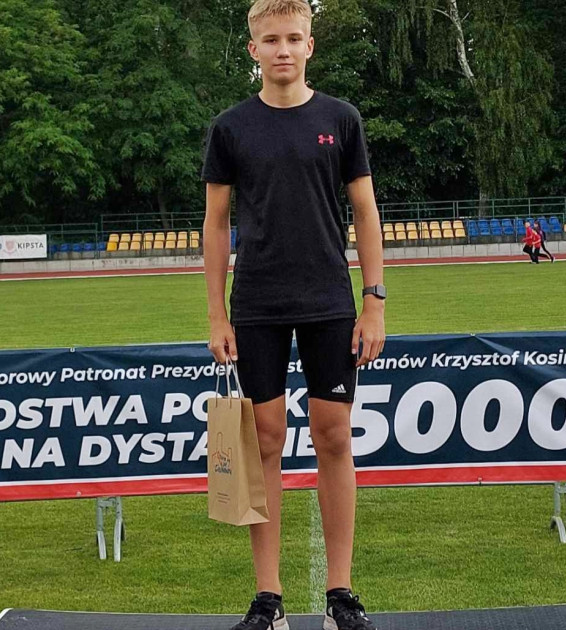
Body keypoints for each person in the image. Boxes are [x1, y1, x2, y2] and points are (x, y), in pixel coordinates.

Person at [201, 2, 385, 629]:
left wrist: (374, 302)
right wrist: (216, 314)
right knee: (266, 444)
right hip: (256, 306)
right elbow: (216, 224)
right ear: (253, 50)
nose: (283, 49)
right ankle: (268, 599)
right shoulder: (230, 128)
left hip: (331, 303)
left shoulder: (341, 119)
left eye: (294, 39)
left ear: (311, 46)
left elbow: (365, 213)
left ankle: (341, 595)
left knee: (334, 438)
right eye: (270, 40)